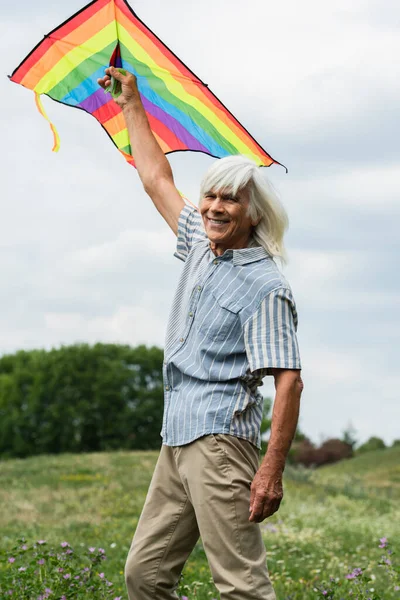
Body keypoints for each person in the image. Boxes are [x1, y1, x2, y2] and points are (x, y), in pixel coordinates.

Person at [98, 67, 303, 600]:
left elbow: (289, 381)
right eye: (211, 196)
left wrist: (270, 472)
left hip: (220, 443)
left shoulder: (265, 285)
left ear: (253, 213)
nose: (214, 207)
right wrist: (131, 104)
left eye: (230, 200)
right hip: (177, 436)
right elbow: (155, 179)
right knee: (144, 576)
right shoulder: (198, 240)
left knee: (241, 586)